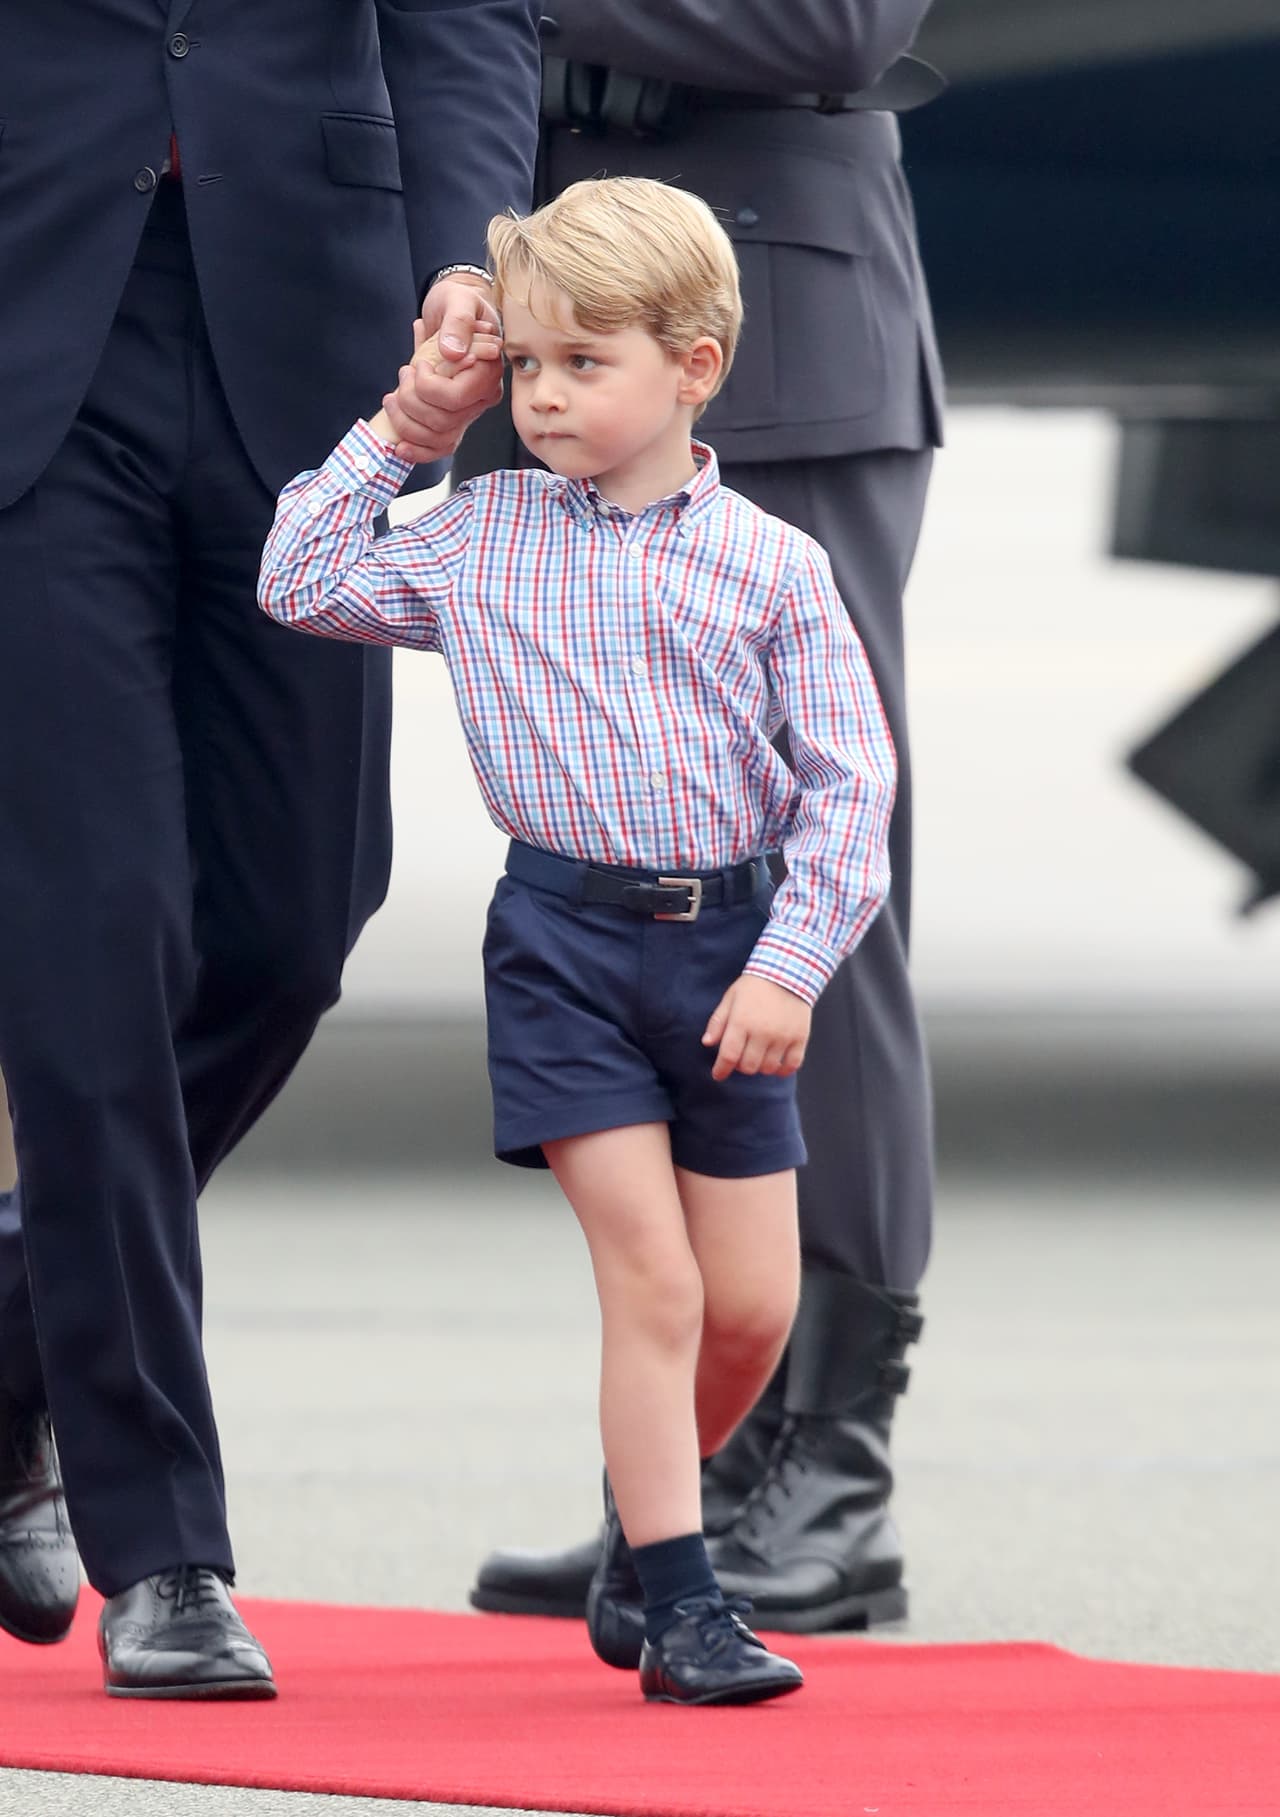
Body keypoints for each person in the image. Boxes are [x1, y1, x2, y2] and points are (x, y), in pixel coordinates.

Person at [258, 176, 897, 1704]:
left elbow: (851, 785)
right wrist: (414, 423)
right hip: (563, 948)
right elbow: (297, 577)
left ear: (694, 366)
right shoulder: (480, 534)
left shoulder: (772, 565)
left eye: (582, 363)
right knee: (654, 1284)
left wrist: (790, 963)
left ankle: (637, 1531)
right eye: (528, 365)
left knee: (751, 1309)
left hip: (730, 953)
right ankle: (684, 1605)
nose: (541, 395)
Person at [0, 2, 541, 1699]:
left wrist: (469, 253)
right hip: (30, 332)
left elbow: (464, 19)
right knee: (97, 945)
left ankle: (17, 1345)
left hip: (306, 337)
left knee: (293, 929)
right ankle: (163, 1547)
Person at [462, 1, 944, 1643]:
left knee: (814, 895)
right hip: (568, 321)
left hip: (769, 325)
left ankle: (830, 1463)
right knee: (621, 869)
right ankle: (676, 1489)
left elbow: (839, 19)